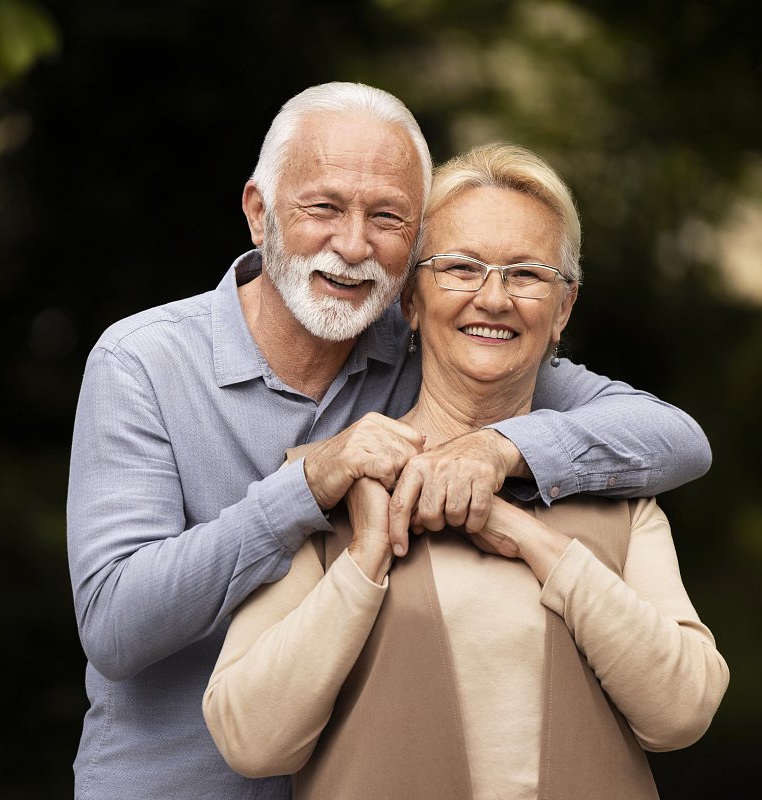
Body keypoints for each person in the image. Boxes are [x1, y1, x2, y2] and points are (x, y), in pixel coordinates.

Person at [67, 83, 712, 800]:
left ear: (411, 260)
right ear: (259, 213)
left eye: (388, 217)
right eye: (323, 207)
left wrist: (500, 449)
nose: (352, 244)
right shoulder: (143, 363)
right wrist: (305, 490)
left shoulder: (434, 338)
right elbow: (116, 626)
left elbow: (676, 439)